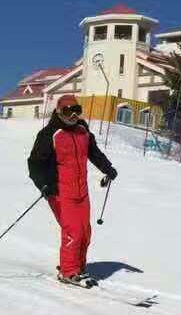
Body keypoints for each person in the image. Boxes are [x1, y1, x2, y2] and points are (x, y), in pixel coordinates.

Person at [27, 94, 117, 286]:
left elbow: (93, 153)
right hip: (59, 191)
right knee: (73, 231)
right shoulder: (49, 134)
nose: (73, 115)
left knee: (85, 231)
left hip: (81, 190)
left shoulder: (82, 131)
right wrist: (43, 184)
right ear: (59, 112)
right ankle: (68, 271)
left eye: (77, 110)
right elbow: (34, 163)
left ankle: (79, 267)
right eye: (68, 111)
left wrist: (107, 168)